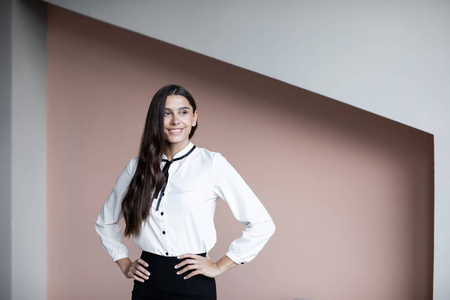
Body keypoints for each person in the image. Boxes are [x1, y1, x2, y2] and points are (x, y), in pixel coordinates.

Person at [95, 84, 275, 300]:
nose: (175, 120)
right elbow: (105, 222)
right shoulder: (137, 167)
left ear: (194, 118)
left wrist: (219, 266)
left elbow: (262, 224)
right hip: (148, 282)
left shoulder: (212, 164)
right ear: (155, 119)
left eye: (183, 112)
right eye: (166, 113)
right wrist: (124, 263)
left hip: (194, 284)